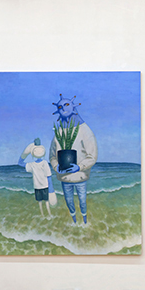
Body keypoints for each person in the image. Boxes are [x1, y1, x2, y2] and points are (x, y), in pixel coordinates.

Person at [49, 95, 98, 225]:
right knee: (69, 201)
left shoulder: (84, 130)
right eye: (60, 107)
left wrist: (79, 167)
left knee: (82, 200)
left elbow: (92, 155)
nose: (63, 109)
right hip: (64, 176)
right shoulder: (58, 132)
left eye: (66, 105)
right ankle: (74, 222)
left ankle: (85, 221)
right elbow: (52, 156)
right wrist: (56, 166)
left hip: (80, 176)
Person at [18, 139, 54, 218]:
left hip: (37, 186)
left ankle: (42, 215)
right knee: (46, 201)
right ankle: (49, 214)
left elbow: (20, 163)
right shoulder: (44, 163)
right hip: (45, 186)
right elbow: (49, 176)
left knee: (40, 202)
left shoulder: (32, 164)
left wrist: (25, 153)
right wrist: (51, 189)